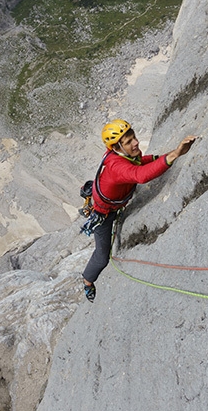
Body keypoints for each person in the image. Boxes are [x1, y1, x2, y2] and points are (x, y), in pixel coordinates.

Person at [81, 119, 197, 302]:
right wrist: (174, 155)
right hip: (104, 214)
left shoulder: (124, 155)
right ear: (117, 147)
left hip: (115, 203)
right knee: (102, 257)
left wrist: (154, 158)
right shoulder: (116, 166)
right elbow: (140, 175)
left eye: (133, 137)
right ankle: (87, 281)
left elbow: (137, 162)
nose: (135, 142)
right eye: (128, 142)